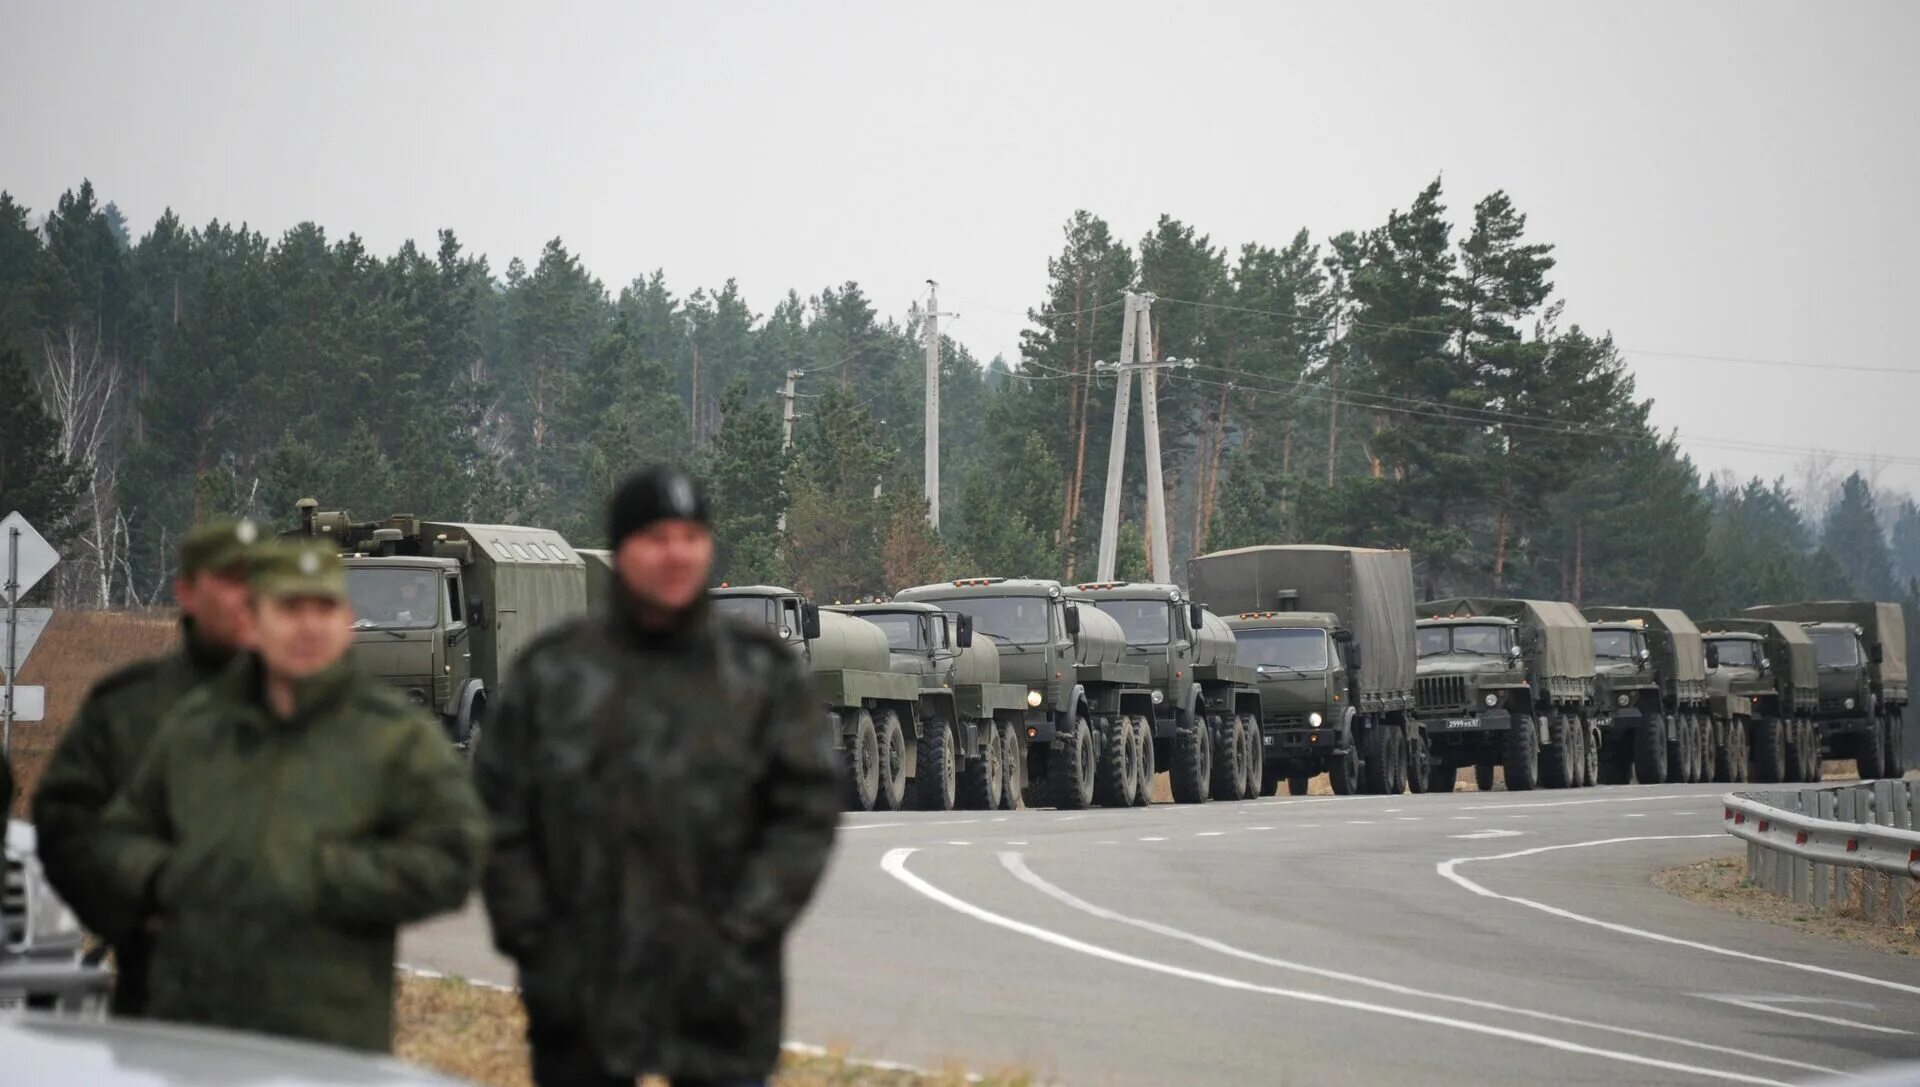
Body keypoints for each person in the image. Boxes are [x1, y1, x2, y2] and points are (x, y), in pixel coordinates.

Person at [478, 467, 839, 1087]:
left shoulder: (760, 674)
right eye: (656, 537)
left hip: (721, 999)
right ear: (621, 551)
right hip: (584, 997)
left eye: (690, 536)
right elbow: (498, 819)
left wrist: (740, 932)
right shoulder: (554, 674)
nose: (677, 554)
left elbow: (804, 815)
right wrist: (536, 943)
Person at [90, 542, 487, 1052]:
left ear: (346, 622)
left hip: (333, 1020)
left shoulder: (398, 739)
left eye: (322, 610)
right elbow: (120, 839)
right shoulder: (198, 729)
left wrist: (335, 880)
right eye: (288, 609)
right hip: (202, 1018)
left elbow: (455, 853)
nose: (306, 628)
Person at [34, 517, 263, 1015]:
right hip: (164, 996)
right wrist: (133, 915)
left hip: (309, 1008)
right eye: (228, 580)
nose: (246, 595)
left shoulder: (322, 708)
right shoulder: (128, 708)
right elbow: (63, 826)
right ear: (187, 592)